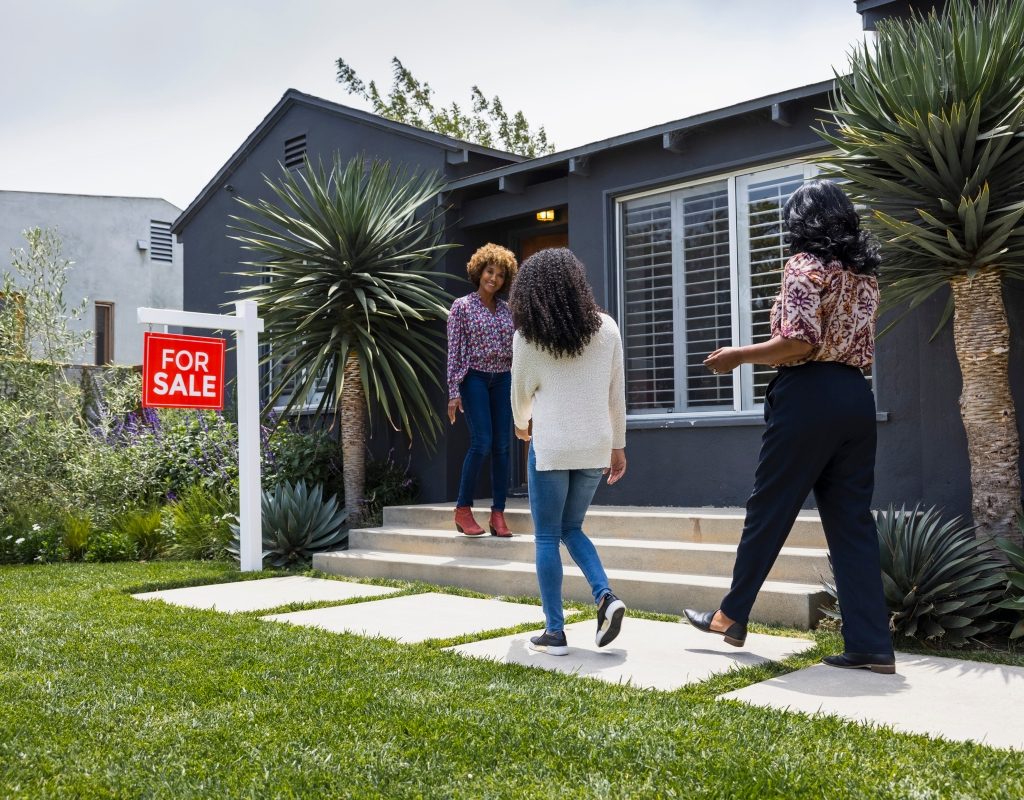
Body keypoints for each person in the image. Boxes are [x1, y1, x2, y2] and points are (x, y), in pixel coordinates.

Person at [684, 180, 895, 674]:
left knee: (770, 508)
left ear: (802, 222)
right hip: (855, 398)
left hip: (809, 397)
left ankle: (730, 615)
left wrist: (738, 357)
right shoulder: (865, 275)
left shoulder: (803, 266)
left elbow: (798, 342)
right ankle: (870, 645)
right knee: (851, 524)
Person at [509, 247, 628, 656]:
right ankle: (605, 596)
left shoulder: (527, 338)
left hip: (552, 448)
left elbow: (520, 398)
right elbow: (617, 396)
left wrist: (523, 428)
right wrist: (618, 446)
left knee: (546, 536)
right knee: (571, 528)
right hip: (595, 445)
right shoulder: (608, 329)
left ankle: (555, 632)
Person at [447, 243, 518, 537]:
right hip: (474, 377)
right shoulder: (462, 306)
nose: (494, 278)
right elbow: (454, 350)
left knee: (503, 446)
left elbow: (515, 349)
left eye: (501, 275)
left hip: (502, 378)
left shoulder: (506, 310)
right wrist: (454, 391)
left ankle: (498, 514)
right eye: (490, 271)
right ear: (480, 271)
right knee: (482, 442)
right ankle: (463, 509)